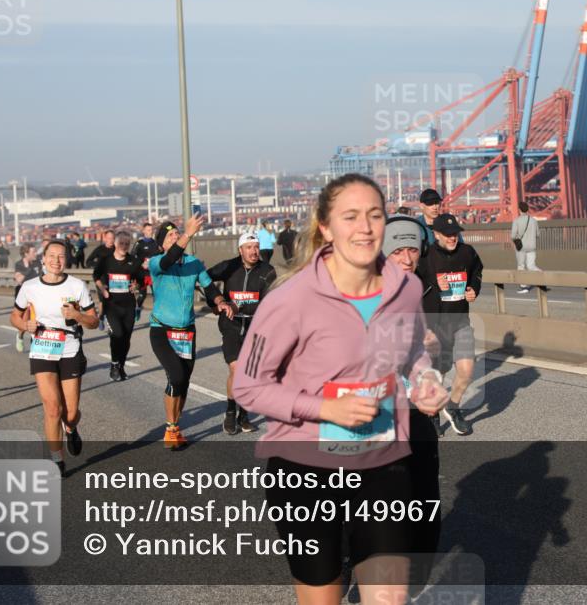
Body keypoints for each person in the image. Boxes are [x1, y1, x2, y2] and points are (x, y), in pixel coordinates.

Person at [232, 173, 447, 605]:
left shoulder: (404, 288)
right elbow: (248, 386)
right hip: (305, 469)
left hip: (383, 462)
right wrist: (325, 409)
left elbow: (409, 353)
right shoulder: (289, 299)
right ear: (326, 228)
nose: (365, 227)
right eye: (350, 216)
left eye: (374, 215)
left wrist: (425, 380)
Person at [382, 215, 444, 589]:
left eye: (412, 250)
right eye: (398, 250)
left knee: (424, 494)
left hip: (414, 408)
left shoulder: (415, 288)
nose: (407, 258)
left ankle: (416, 572)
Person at [10, 240, 99, 476]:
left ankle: (70, 428)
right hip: (42, 346)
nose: (56, 261)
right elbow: (15, 317)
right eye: (51, 256)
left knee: (69, 413)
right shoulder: (29, 287)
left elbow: (94, 322)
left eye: (61, 256)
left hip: (69, 347)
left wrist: (77, 315)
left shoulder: (77, 286)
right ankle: (56, 459)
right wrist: (25, 324)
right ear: (43, 258)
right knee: (52, 408)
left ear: (66, 260)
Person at [148, 215, 227, 449]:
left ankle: (176, 426)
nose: (175, 238)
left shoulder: (193, 262)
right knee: (176, 376)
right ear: (162, 244)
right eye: (170, 236)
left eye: (177, 234)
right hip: (162, 330)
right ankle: (170, 429)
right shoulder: (156, 262)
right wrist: (188, 234)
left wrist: (220, 301)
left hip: (186, 333)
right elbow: (169, 259)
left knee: (184, 382)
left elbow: (209, 287)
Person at [416, 213, 484, 436]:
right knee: (438, 373)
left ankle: (453, 408)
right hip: (435, 325)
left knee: (466, 371)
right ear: (436, 234)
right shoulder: (425, 257)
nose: (452, 237)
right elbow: (413, 286)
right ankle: (431, 413)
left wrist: (474, 288)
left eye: (455, 233)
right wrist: (433, 283)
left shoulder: (467, 252)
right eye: (447, 235)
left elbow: (477, 271)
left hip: (461, 321)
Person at [206, 232, 276, 435]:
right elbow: (205, 279)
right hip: (231, 326)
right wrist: (216, 302)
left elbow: (269, 303)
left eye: (256, 247)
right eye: (249, 247)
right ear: (240, 250)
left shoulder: (267, 271)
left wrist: (242, 307)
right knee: (237, 370)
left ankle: (243, 415)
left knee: (249, 374)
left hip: (256, 328)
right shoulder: (229, 266)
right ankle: (230, 412)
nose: (254, 251)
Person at [93, 231, 143, 381]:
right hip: (111, 305)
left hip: (128, 305)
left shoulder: (134, 261)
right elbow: (96, 276)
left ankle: (121, 366)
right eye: (121, 243)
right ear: (115, 243)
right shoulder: (105, 260)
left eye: (127, 244)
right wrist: (102, 289)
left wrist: (136, 286)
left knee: (126, 338)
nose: (124, 246)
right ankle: (114, 365)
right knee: (117, 335)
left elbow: (139, 281)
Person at [13, 244, 43, 352]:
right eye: (33, 252)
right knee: (25, 321)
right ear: (26, 254)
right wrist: (28, 269)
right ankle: (20, 335)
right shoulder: (19, 264)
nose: (36, 253)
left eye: (36, 251)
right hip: (24, 296)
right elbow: (19, 280)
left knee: (37, 321)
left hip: (37, 295)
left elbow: (42, 276)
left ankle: (36, 343)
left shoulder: (38, 262)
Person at [87, 230, 116, 331]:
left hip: (114, 279)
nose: (111, 241)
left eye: (112, 238)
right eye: (109, 238)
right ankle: (101, 317)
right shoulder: (99, 249)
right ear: (105, 239)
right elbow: (88, 261)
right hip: (101, 279)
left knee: (112, 301)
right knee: (103, 300)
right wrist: (98, 266)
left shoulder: (117, 249)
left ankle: (110, 321)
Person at [131, 223, 160, 321]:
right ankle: (138, 308)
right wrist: (141, 264)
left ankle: (156, 315)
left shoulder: (156, 244)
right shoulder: (139, 244)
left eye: (151, 230)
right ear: (143, 231)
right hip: (142, 274)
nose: (150, 232)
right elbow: (132, 256)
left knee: (156, 294)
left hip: (153, 273)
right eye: (148, 230)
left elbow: (161, 256)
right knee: (142, 295)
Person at [511, 201, 541, 293]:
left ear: (519, 210)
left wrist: (517, 239)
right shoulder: (534, 221)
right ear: (527, 210)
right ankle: (542, 276)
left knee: (521, 266)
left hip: (521, 248)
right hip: (532, 246)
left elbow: (513, 236)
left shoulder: (516, 221)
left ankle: (524, 287)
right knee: (531, 265)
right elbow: (538, 234)